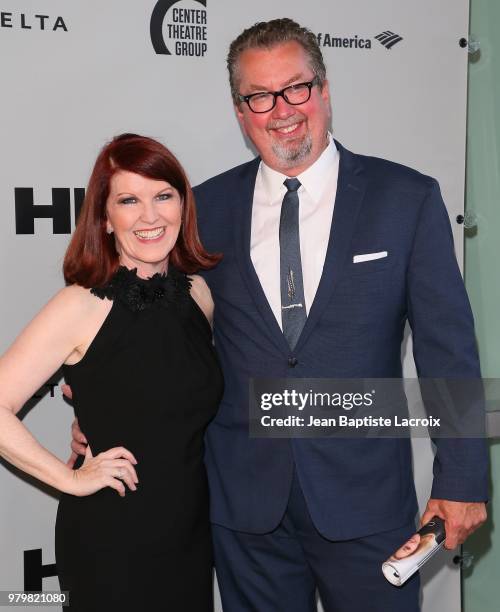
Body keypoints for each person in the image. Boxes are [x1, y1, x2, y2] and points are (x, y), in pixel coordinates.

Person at [69, 18, 488, 612]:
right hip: (243, 507)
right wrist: (104, 407)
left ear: (324, 88)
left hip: (364, 502)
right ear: (240, 111)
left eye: (297, 88)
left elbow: (449, 349)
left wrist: (464, 479)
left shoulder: (406, 199)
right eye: (259, 96)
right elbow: (156, 328)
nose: (282, 110)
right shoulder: (202, 209)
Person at [0, 133, 223, 611]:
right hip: (112, 536)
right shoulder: (81, 304)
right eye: (128, 200)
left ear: (183, 205)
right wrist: (73, 480)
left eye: (163, 195)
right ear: (104, 217)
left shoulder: (200, 297)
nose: (149, 215)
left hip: (188, 531)